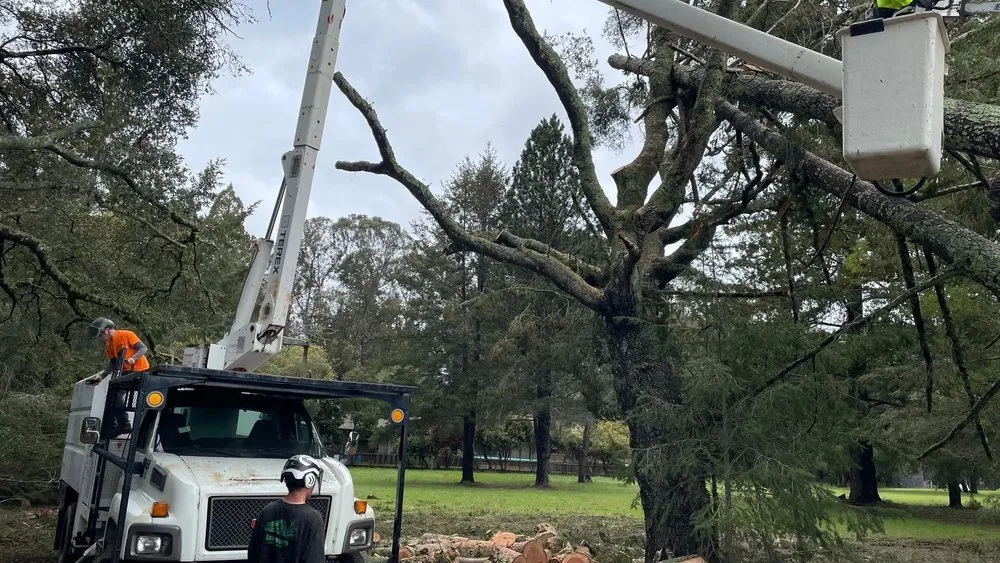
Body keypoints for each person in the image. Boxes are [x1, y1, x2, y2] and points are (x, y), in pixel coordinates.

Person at [248, 455, 327, 563]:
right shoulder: (313, 519)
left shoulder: (267, 510)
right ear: (310, 480)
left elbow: (253, 552)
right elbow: (314, 558)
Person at [84, 317, 151, 436]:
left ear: (108, 330)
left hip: (139, 370)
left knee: (117, 395)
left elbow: (143, 348)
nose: (100, 338)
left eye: (101, 335)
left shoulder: (126, 334)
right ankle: (114, 426)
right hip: (126, 372)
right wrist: (101, 377)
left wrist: (133, 358)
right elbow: (113, 363)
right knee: (111, 396)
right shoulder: (109, 344)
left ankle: (124, 424)